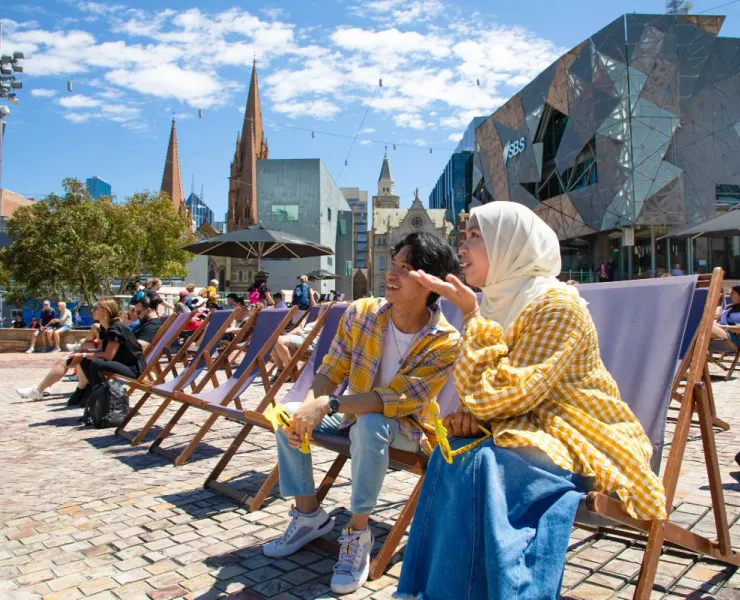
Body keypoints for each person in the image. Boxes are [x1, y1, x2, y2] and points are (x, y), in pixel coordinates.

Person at [395, 202, 667, 600]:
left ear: (509, 245)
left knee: (485, 464)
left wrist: (471, 315)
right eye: (464, 236)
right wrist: (469, 416)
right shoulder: (497, 302)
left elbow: (501, 395)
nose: (462, 248)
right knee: (451, 453)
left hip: (578, 429)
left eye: (475, 237)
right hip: (522, 423)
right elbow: (484, 396)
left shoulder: (556, 304)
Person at [262, 232, 461, 595]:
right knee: (288, 412)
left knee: (372, 423)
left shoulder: (444, 341)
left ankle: (357, 532)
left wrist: (330, 404)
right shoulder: (363, 313)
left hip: (408, 429)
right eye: (393, 264)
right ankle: (308, 515)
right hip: (351, 415)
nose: (392, 273)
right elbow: (330, 370)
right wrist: (311, 407)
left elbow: (397, 400)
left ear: (430, 282)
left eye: (406, 268)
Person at [15, 320, 101, 401]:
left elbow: (107, 350)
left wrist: (84, 352)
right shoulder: (99, 327)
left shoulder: (100, 327)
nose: (93, 311)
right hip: (94, 354)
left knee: (65, 360)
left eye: (97, 308)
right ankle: (45, 386)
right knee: (66, 356)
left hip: (99, 358)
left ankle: (39, 390)